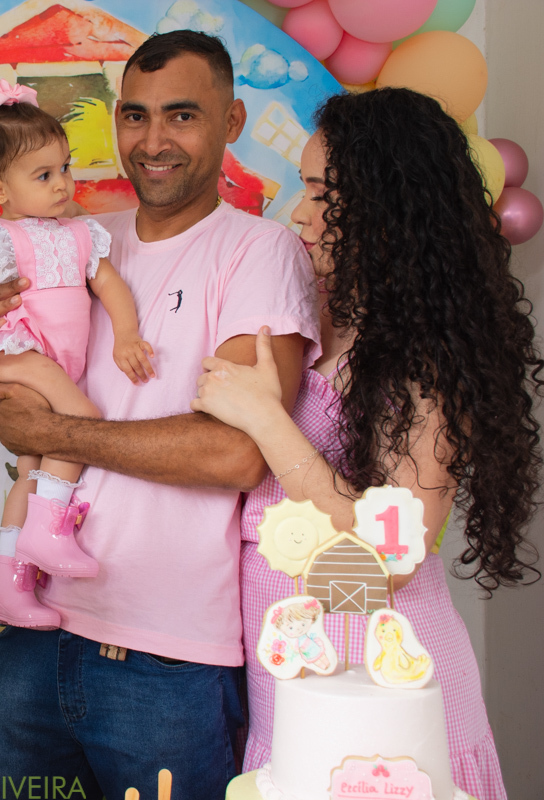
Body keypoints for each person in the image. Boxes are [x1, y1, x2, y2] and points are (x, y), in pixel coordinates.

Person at [0, 31, 320, 799]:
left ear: (232, 121)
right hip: (28, 631)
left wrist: (55, 433)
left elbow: (236, 454)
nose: (152, 141)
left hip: (162, 658)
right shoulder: (73, 238)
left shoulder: (260, 253)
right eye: (135, 115)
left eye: (182, 115)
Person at [192, 87, 543, 800]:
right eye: (303, 188)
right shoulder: (313, 306)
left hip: (382, 680)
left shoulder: (428, 353)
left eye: (323, 194)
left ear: (389, 206)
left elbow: (394, 559)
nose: (300, 212)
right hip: (290, 673)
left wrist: (267, 422)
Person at [0, 78, 154, 629]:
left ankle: (6, 585)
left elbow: (111, 286)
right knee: (82, 420)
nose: (62, 183)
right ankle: (49, 533)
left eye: (65, 168)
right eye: (44, 175)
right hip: (11, 353)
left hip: (55, 363)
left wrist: (126, 335)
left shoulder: (81, 233)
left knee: (32, 465)